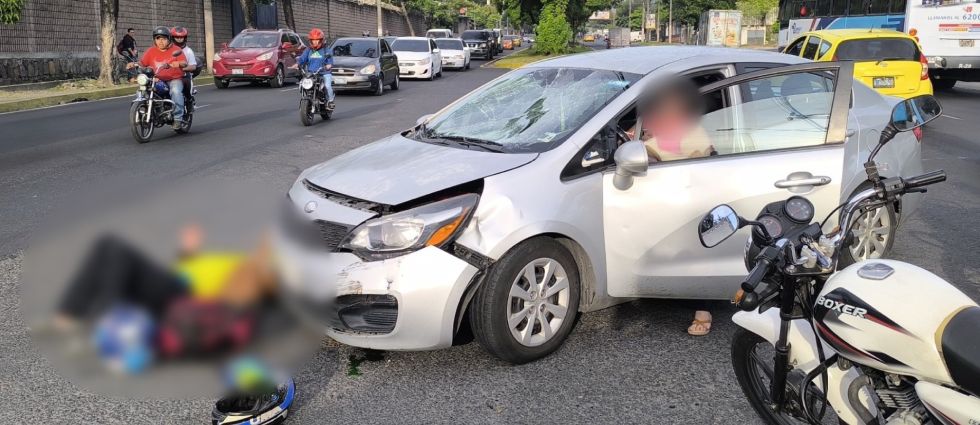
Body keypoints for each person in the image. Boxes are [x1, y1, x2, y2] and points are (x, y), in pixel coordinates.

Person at [626, 79, 716, 336]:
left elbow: (704, 167)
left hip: (687, 199)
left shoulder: (694, 132)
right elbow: (632, 140)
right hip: (656, 197)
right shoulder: (652, 125)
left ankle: (703, 309)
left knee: (695, 253)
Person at [130, 26, 188, 130]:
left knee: (175, 91)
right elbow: (142, 63)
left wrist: (178, 63)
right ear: (154, 40)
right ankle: (145, 110)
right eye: (158, 38)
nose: (160, 41)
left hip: (173, 79)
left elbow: (184, 63)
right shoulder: (151, 51)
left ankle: (178, 118)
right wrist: (133, 64)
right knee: (143, 89)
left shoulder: (176, 50)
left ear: (169, 39)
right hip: (157, 79)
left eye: (163, 39)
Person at [296, 28, 335, 109]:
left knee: (327, 86)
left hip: (324, 73)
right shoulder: (308, 50)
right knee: (302, 84)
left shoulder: (326, 50)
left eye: (317, 40)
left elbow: (330, 61)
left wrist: (328, 65)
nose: (315, 42)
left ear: (321, 40)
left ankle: (330, 101)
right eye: (313, 40)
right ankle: (306, 98)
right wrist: (297, 64)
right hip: (311, 73)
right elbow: (302, 59)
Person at [170, 26, 198, 102]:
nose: (179, 39)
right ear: (172, 38)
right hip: (169, 75)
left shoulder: (188, 51)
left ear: (185, 38)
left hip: (184, 75)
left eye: (181, 37)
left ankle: (188, 100)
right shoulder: (168, 50)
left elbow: (193, 67)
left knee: (186, 85)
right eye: (177, 37)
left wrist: (180, 69)